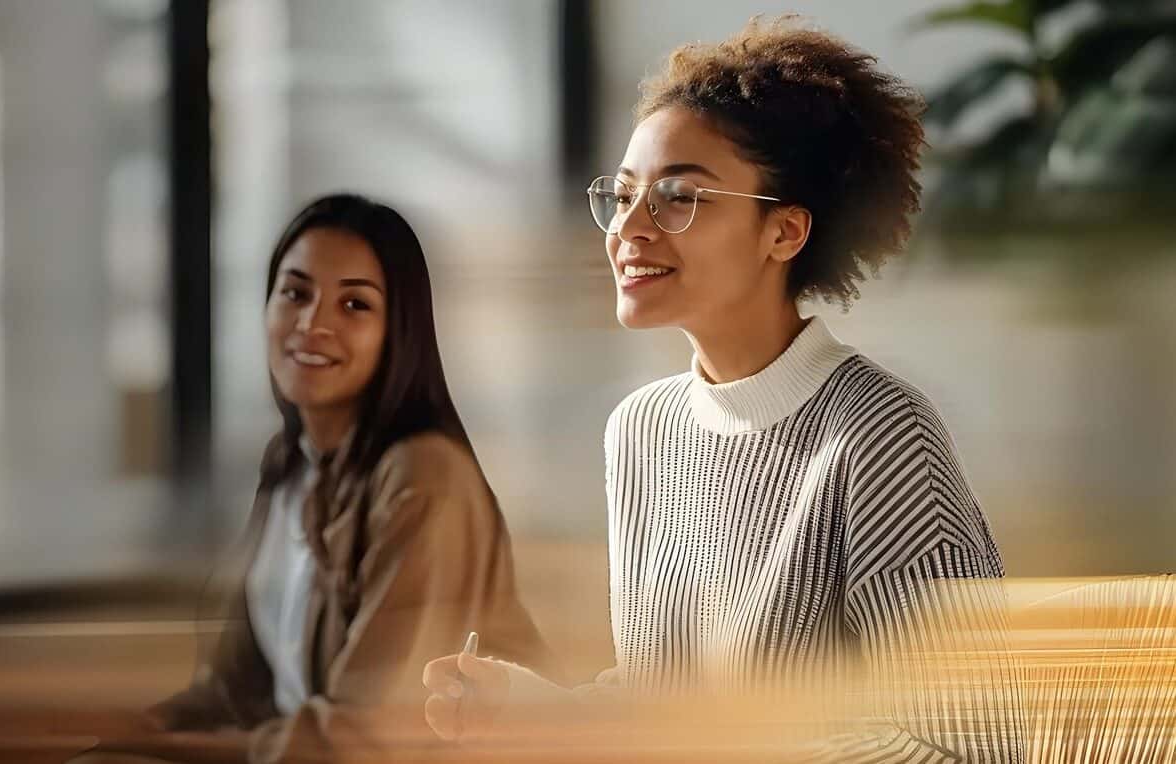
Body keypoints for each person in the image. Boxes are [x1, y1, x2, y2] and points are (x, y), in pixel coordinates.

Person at [423, 16, 1026, 761]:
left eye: (679, 198)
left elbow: (970, 745)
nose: (628, 230)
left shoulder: (879, 434)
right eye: (622, 195)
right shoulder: (641, 431)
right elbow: (664, 704)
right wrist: (533, 707)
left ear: (785, 233)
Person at [76, 193, 552, 764]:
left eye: (354, 305)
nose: (313, 324)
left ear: (398, 332)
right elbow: (237, 692)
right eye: (296, 293)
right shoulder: (289, 463)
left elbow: (367, 738)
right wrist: (125, 733)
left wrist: (163, 748)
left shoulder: (426, 478)